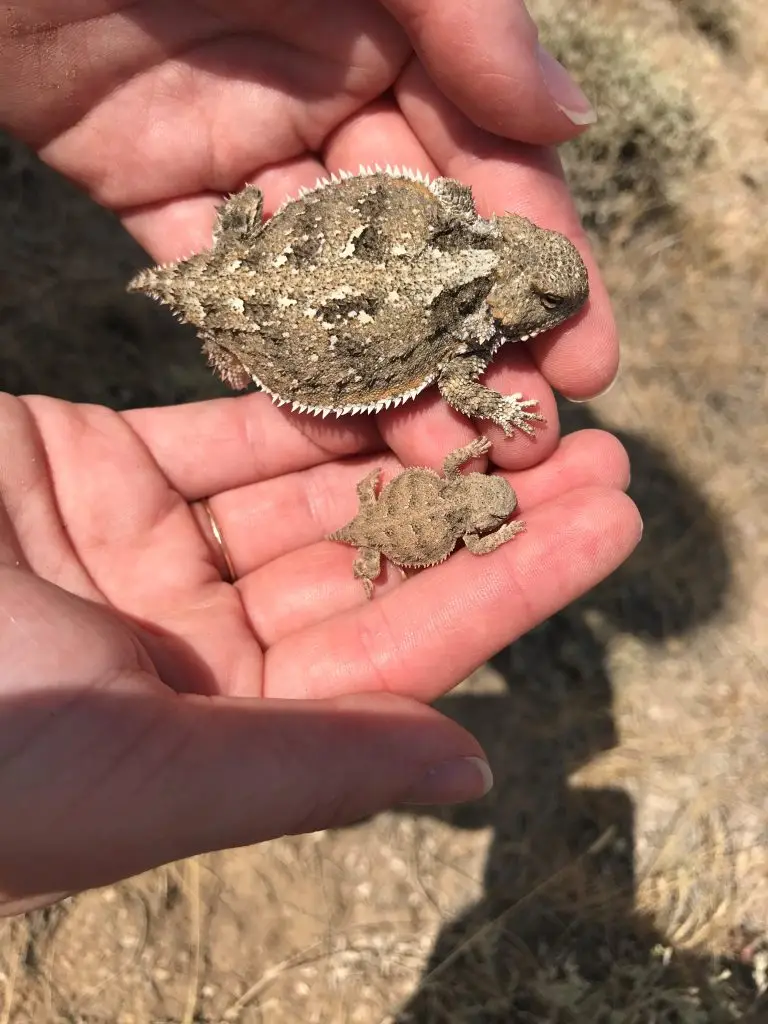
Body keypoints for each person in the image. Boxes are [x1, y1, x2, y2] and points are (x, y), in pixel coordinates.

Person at [0, 0, 641, 917]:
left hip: (294, 263)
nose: (550, 301)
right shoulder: (466, 305)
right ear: (509, 258)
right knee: (254, 331)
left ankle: (232, 273)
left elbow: (462, 231)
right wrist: (496, 407)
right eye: (539, 291)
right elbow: (463, 389)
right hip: (296, 305)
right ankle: (227, 305)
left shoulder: (460, 215)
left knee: (256, 289)